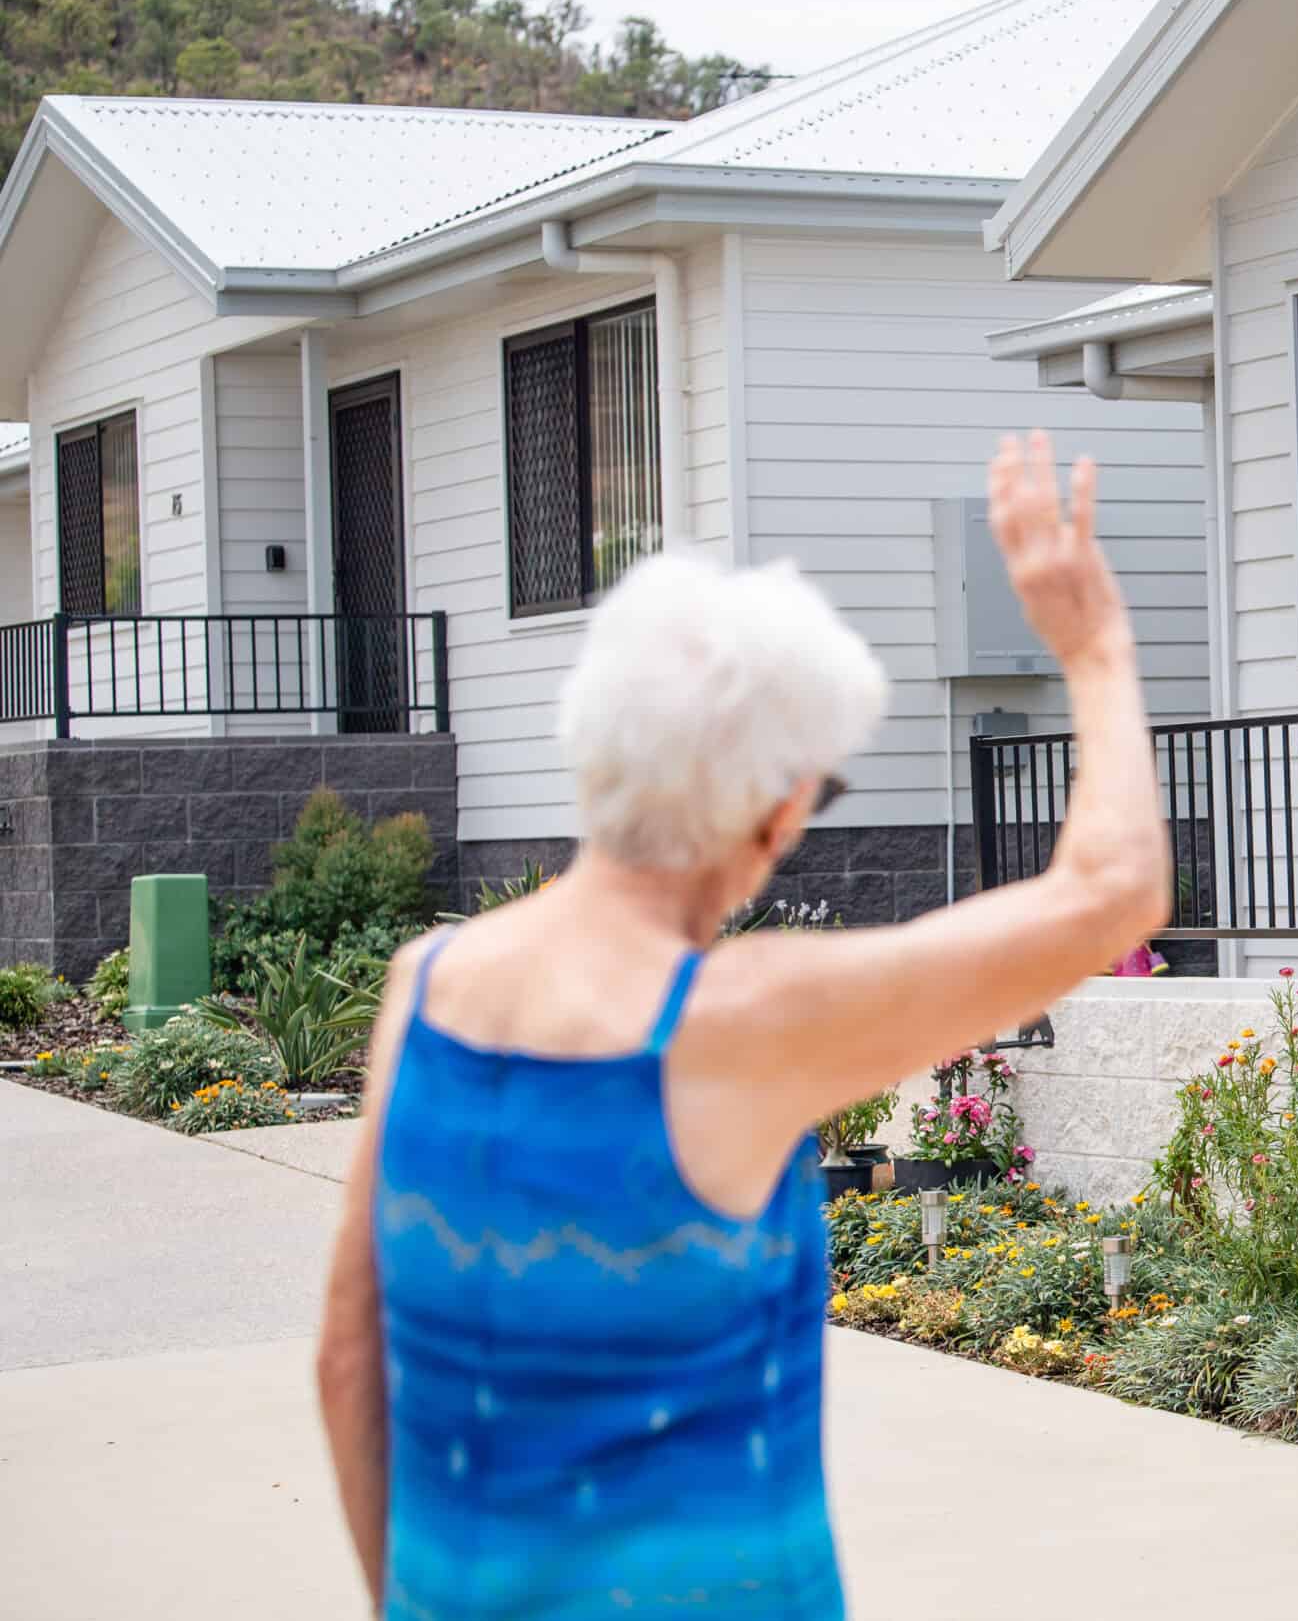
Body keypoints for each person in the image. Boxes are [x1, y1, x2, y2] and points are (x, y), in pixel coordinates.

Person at [315, 432, 1168, 1618]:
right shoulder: (737, 1023)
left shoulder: (426, 983)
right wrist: (1097, 647)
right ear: (771, 815)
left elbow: (348, 1361)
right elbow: (1113, 895)